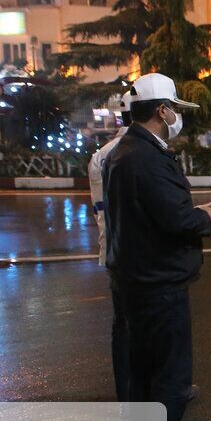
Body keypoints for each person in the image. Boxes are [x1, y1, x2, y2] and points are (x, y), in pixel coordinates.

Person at [104, 73, 211, 421]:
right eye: (173, 109)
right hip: (157, 286)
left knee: (144, 377)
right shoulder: (146, 157)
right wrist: (206, 216)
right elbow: (175, 220)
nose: (176, 117)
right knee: (170, 380)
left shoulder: (124, 150)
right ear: (162, 110)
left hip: (135, 279)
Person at [88, 96, 131, 400]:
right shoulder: (134, 153)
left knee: (124, 326)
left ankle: (127, 392)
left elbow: (101, 213)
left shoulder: (100, 156)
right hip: (139, 257)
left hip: (115, 252)